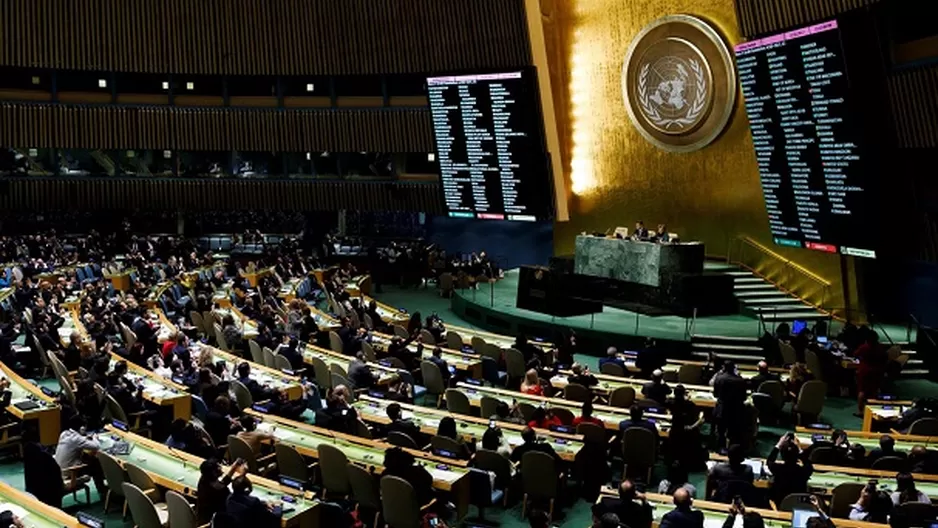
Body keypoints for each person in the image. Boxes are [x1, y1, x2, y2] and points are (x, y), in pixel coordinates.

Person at [766, 433, 813, 506]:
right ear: (797, 455)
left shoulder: (778, 469)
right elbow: (809, 464)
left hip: (779, 504)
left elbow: (769, 461)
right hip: (799, 505)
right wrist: (799, 448)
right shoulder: (804, 471)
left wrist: (779, 444)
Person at [197, 458, 247, 524]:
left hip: (203, 517)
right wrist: (243, 473)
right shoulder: (221, 491)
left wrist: (233, 468)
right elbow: (235, 498)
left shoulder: (204, 480)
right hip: (218, 522)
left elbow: (221, 484)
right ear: (214, 473)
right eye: (218, 466)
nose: (221, 466)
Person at [713, 361, 748, 450]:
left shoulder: (719, 378)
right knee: (733, 431)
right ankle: (733, 449)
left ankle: (720, 448)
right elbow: (744, 397)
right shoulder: (740, 380)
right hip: (736, 410)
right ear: (734, 368)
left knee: (721, 431)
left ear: (724, 368)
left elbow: (715, 394)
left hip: (722, 409)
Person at [854, 330, 888, 417]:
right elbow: (885, 358)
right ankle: (872, 411)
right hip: (877, 372)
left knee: (862, 391)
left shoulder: (865, 347)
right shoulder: (881, 347)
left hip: (865, 371)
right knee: (874, 391)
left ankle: (860, 411)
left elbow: (856, 354)